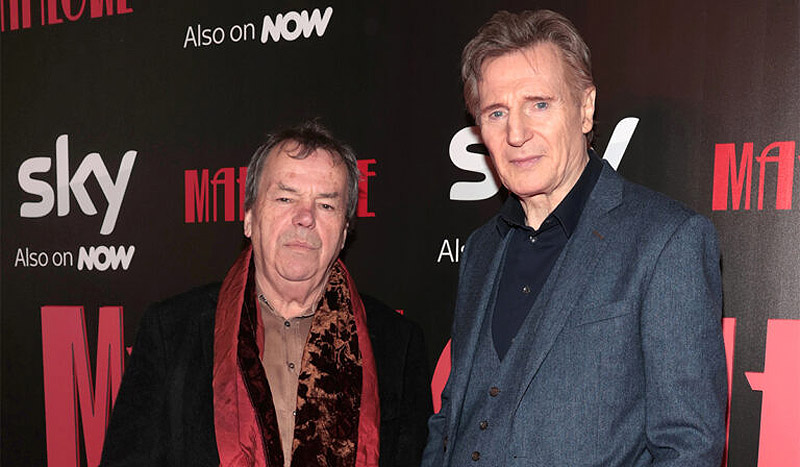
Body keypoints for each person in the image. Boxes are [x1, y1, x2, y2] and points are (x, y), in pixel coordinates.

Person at [422, 9, 727, 466]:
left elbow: (689, 448)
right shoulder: (482, 249)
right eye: (497, 112)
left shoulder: (667, 241)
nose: (517, 133)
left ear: (585, 109)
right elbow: (452, 421)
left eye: (539, 104)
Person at [101, 121, 430, 467]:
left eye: (326, 205)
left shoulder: (397, 344)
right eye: (285, 198)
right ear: (249, 217)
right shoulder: (172, 331)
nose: (305, 218)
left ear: (345, 232)